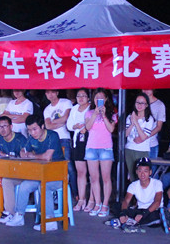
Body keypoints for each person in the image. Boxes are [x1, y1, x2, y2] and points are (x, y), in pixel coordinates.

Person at [5, 114, 65, 231]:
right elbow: (23, 152)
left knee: (44, 186)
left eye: (35, 129)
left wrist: (32, 155)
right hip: (40, 174)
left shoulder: (52, 136)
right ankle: (19, 216)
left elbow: (47, 157)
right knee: (24, 186)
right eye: (29, 130)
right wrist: (26, 153)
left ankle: (50, 220)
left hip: (58, 175)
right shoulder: (31, 138)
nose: (32, 133)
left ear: (42, 126)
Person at [0, 115, 28, 223]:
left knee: (6, 180)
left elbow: (25, 157)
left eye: (5, 126)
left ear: (11, 126)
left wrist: (5, 155)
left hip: (20, 173)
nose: (2, 129)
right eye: (0, 127)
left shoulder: (20, 139)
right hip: (4, 170)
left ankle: (10, 213)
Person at [84, 88, 117, 217]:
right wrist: (95, 114)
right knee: (93, 178)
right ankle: (97, 203)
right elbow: (87, 127)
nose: (98, 100)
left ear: (106, 99)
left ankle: (105, 204)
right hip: (91, 148)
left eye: (101, 98)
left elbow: (111, 129)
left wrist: (103, 115)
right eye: (96, 98)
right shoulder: (89, 113)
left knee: (106, 178)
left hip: (106, 148)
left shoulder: (112, 113)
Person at [106, 157, 164, 230]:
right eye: (140, 171)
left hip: (152, 211)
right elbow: (126, 201)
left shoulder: (157, 183)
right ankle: (131, 220)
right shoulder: (133, 185)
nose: (142, 174)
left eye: (145, 171)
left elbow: (157, 202)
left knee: (155, 216)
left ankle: (130, 221)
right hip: (140, 210)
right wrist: (123, 213)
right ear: (136, 172)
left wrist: (144, 214)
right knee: (116, 206)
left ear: (150, 172)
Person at [43, 88, 74, 191]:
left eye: (52, 92)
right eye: (48, 92)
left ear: (57, 92)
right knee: (55, 165)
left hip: (64, 138)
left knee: (68, 166)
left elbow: (66, 118)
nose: (50, 95)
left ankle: (75, 193)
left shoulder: (65, 102)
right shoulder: (47, 109)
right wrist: (60, 122)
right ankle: (59, 191)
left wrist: (53, 122)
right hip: (53, 140)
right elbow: (48, 126)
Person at [67, 89, 92, 211]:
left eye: (84, 96)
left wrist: (82, 126)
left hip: (91, 140)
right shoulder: (74, 108)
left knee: (93, 174)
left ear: (88, 97)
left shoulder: (92, 108)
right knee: (80, 172)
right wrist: (77, 126)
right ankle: (81, 199)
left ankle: (92, 200)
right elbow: (69, 125)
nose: (81, 98)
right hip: (78, 141)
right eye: (78, 96)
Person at [124, 93, 156, 180]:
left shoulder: (149, 119)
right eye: (137, 102)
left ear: (146, 105)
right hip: (129, 148)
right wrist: (132, 123)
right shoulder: (130, 116)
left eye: (142, 103)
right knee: (131, 176)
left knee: (142, 177)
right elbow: (125, 134)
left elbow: (143, 137)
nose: (139, 105)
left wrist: (136, 122)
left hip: (142, 150)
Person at [141, 89, 166, 157]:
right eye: (144, 88)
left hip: (151, 144)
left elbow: (158, 127)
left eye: (148, 88)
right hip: (136, 144)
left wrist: (144, 137)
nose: (146, 90)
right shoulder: (138, 102)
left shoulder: (160, 105)